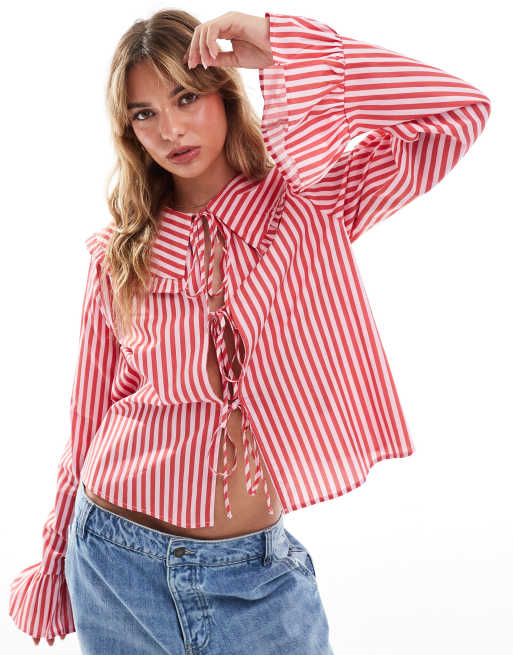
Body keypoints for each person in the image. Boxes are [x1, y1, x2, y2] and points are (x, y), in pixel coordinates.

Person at [8, 8, 491, 653]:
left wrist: (284, 45)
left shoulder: (309, 204)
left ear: (225, 93)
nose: (170, 130)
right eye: (145, 113)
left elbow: (456, 113)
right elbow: (89, 415)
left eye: (186, 96)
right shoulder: (120, 255)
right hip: (117, 556)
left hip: (256, 578)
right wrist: (52, 561)